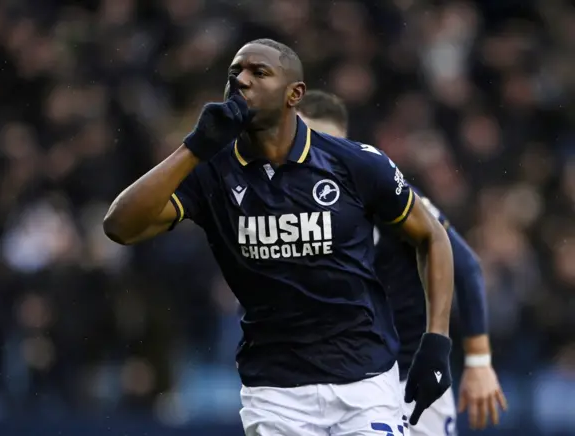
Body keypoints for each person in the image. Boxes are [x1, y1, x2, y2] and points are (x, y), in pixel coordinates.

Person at [103, 39, 455, 436]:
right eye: (235, 73)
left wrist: (436, 341)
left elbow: (431, 236)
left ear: (295, 94)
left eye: (259, 72)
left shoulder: (355, 163)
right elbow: (120, 226)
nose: (242, 81)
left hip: (366, 381)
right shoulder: (211, 172)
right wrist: (194, 148)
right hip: (275, 392)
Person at [297, 90, 509, 435]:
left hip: (409, 376)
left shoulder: (382, 192)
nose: (318, 156)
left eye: (328, 142)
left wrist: (479, 362)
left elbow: (465, 264)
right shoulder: (283, 205)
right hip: (337, 379)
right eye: (308, 143)